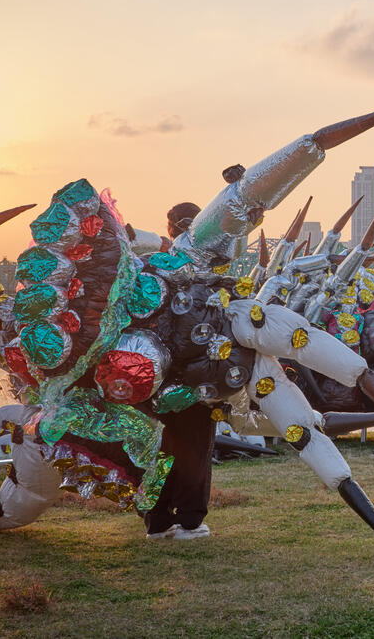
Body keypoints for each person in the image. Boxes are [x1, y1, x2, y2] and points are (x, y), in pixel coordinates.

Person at [145, 202, 217, 540]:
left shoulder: (156, 267)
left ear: (172, 228)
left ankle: (156, 519)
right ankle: (190, 519)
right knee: (195, 449)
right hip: (196, 376)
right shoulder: (208, 266)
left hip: (158, 377)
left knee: (161, 450)